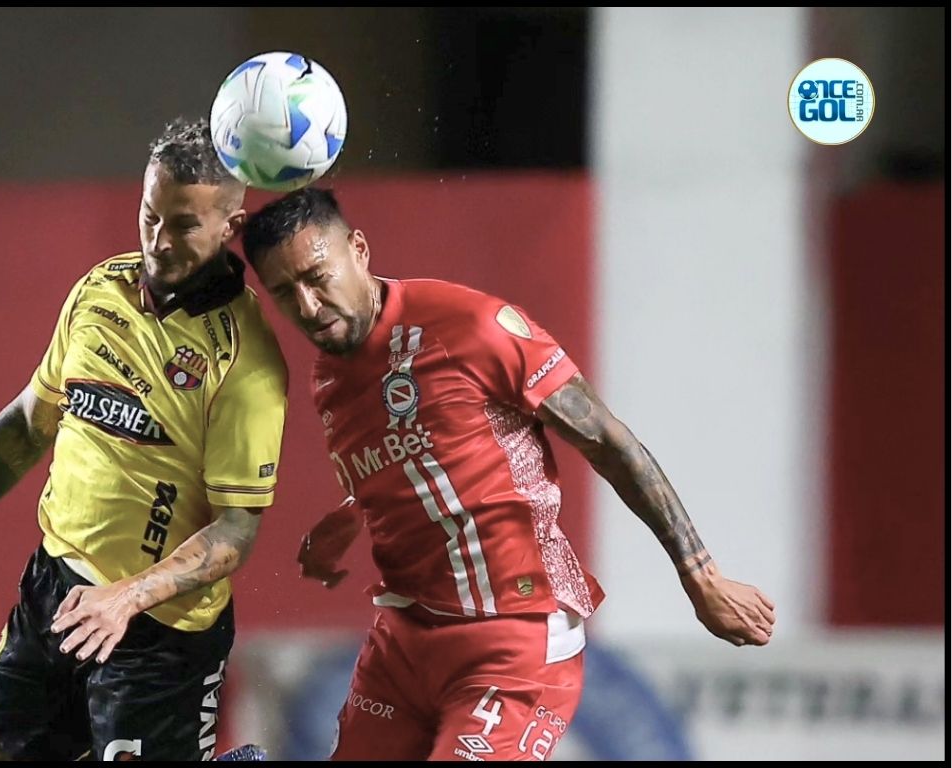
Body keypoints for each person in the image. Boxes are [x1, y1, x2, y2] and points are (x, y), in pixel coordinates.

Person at [241, 187, 775, 762]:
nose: (309, 306)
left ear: (359, 250)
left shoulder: (469, 325)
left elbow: (608, 439)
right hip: (405, 645)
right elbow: (426, 451)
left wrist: (699, 571)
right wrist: (353, 513)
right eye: (284, 293)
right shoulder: (330, 376)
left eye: (317, 277)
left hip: (513, 641)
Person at [0, 117, 288, 761]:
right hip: (54, 592)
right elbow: (29, 426)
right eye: (149, 216)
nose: (158, 241)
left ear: (230, 227)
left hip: (158, 631)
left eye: (183, 225)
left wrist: (127, 597)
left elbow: (236, 533)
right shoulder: (98, 291)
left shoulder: (244, 358)